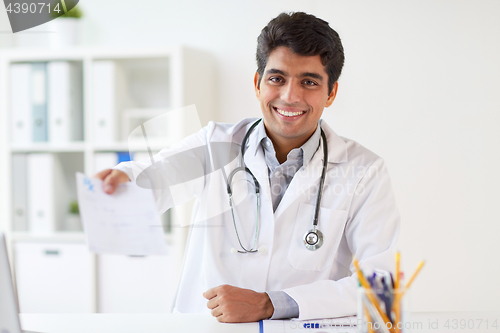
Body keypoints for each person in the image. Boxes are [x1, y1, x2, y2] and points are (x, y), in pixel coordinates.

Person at [95, 12, 400, 323]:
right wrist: (124, 182)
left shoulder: (364, 171)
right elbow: (158, 176)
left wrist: (272, 304)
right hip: (208, 326)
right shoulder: (215, 144)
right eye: (276, 78)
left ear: (331, 92)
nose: (289, 96)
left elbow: (379, 285)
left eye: (309, 82)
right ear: (258, 83)